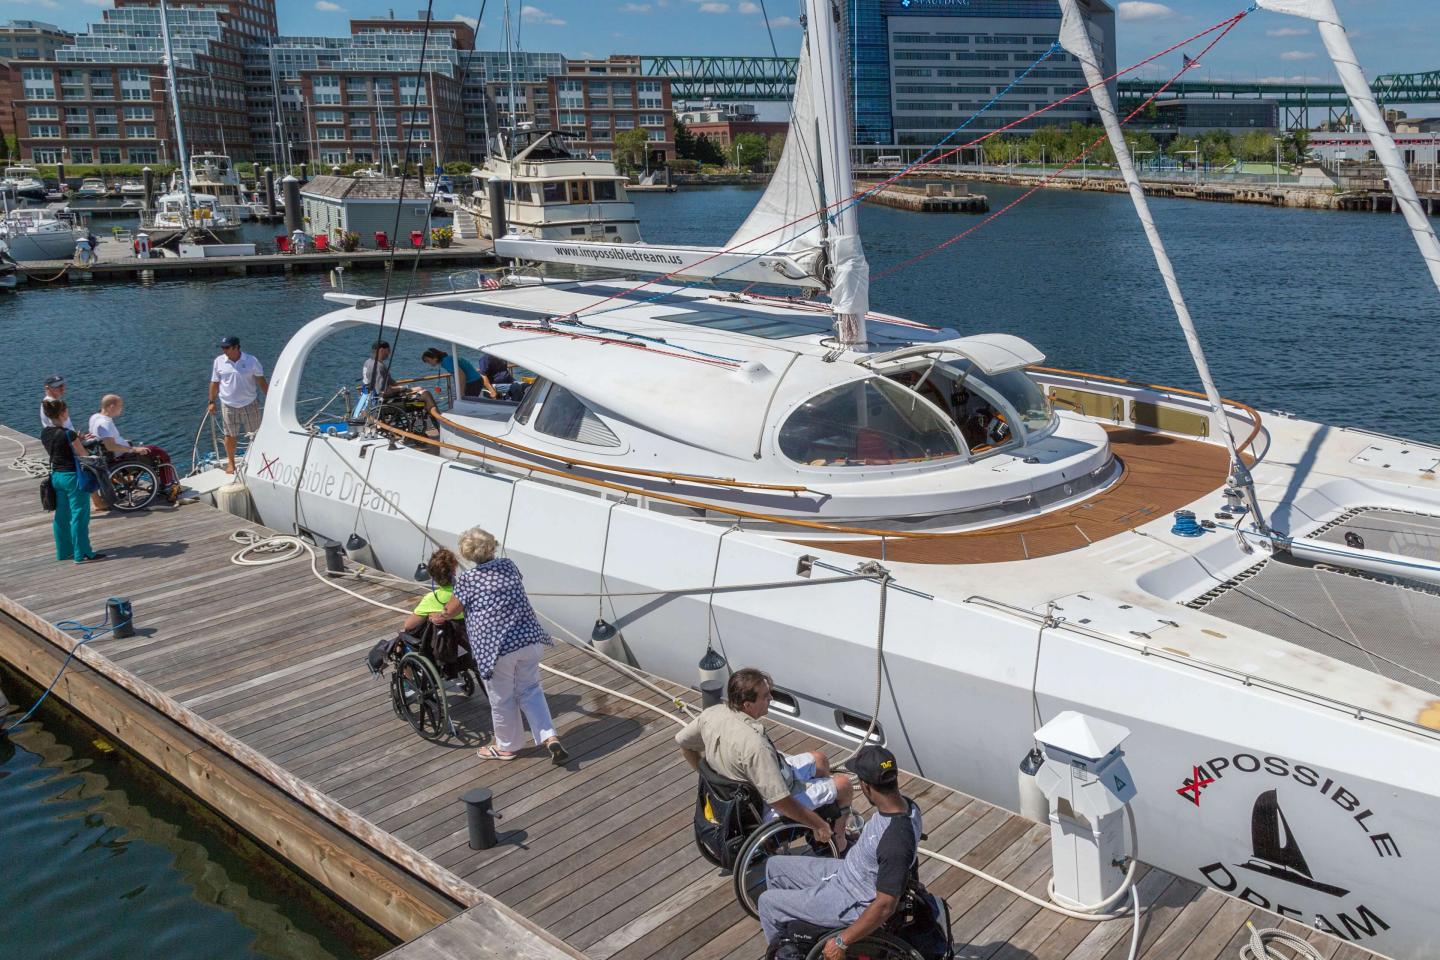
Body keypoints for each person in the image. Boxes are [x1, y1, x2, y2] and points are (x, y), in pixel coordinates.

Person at [759, 745, 923, 960]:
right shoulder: (907, 806)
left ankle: (786, 953)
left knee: (768, 903)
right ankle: (797, 938)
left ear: (865, 786)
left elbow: (885, 906)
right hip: (847, 873)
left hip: (852, 899)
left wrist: (841, 941)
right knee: (774, 867)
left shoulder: (895, 841)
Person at [430, 526, 568, 764]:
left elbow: (452, 611)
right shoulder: (508, 565)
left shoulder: (467, 580)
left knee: (502, 698)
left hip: (497, 650)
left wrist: (440, 616)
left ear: (467, 554)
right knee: (530, 690)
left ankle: (506, 747)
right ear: (492, 546)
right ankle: (550, 737)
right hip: (528, 639)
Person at [676, 668, 852, 851]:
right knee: (844, 785)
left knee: (820, 760)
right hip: (766, 806)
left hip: (750, 785)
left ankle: (824, 812)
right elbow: (780, 801)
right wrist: (818, 824)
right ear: (747, 705)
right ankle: (838, 842)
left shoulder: (712, 714)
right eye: (765, 696)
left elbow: (684, 743)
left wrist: (708, 775)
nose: (771, 699)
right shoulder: (756, 746)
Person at [41, 398, 106, 564]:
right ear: (63, 413)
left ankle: (64, 552)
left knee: (61, 516)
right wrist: (79, 440)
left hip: (56, 477)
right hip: (73, 478)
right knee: (80, 516)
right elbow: (83, 454)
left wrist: (76, 438)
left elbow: (59, 449)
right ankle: (82, 553)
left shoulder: (45, 433)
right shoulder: (69, 434)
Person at [89, 393, 181, 503]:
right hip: (122, 456)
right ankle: (166, 484)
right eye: (120, 406)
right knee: (160, 453)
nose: (121, 408)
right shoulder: (105, 423)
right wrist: (134, 449)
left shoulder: (94, 417)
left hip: (115, 454)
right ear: (111, 407)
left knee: (152, 449)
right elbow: (110, 446)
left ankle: (164, 482)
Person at [208, 335, 268, 475]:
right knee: (230, 435)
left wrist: (270, 398)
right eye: (223, 347)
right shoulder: (219, 362)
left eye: (227, 347)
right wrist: (211, 402)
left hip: (249, 403)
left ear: (236, 347)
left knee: (255, 435)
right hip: (228, 405)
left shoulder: (251, 361)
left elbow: (261, 382)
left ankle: (259, 460)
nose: (224, 350)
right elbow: (214, 383)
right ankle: (231, 463)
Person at [364, 340, 441, 424]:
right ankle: (440, 422)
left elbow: (391, 382)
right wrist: (404, 388)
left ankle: (438, 421)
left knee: (421, 390)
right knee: (426, 395)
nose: (389, 353)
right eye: (388, 351)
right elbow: (384, 392)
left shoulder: (368, 362)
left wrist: (410, 390)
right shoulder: (378, 367)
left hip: (375, 401)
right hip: (385, 403)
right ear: (381, 350)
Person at [420, 346, 487, 399]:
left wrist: (461, 392)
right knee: (469, 403)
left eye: (428, 360)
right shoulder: (446, 359)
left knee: (468, 403)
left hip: (473, 382)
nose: (428, 363)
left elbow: (461, 375)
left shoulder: (446, 362)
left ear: (435, 358)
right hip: (475, 381)